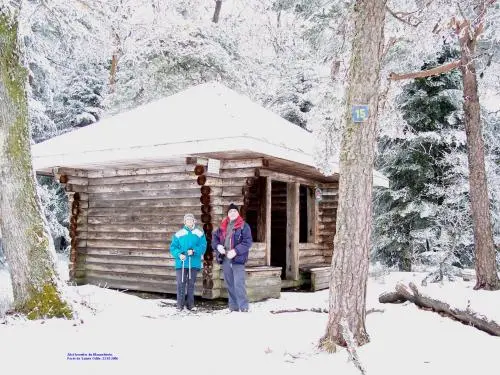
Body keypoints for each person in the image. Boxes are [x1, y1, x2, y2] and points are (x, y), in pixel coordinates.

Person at [212, 203, 253, 312]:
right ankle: (233, 307)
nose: (232, 213)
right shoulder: (222, 226)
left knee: (239, 283)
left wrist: (236, 251)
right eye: (230, 212)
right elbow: (214, 239)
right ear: (228, 214)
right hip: (225, 258)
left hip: (237, 259)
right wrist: (218, 246)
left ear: (238, 213)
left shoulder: (244, 226)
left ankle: (243, 307)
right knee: (229, 283)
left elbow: (247, 242)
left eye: (235, 211)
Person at [170, 213, 207, 311]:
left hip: (193, 263)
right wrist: (179, 254)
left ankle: (190, 305)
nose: (189, 221)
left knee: (191, 284)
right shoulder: (179, 233)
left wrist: (194, 251)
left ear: (194, 221)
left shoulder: (199, 233)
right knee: (180, 283)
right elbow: (173, 247)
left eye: (191, 219)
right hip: (181, 263)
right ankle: (180, 305)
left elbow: (203, 246)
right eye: (187, 220)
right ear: (185, 222)